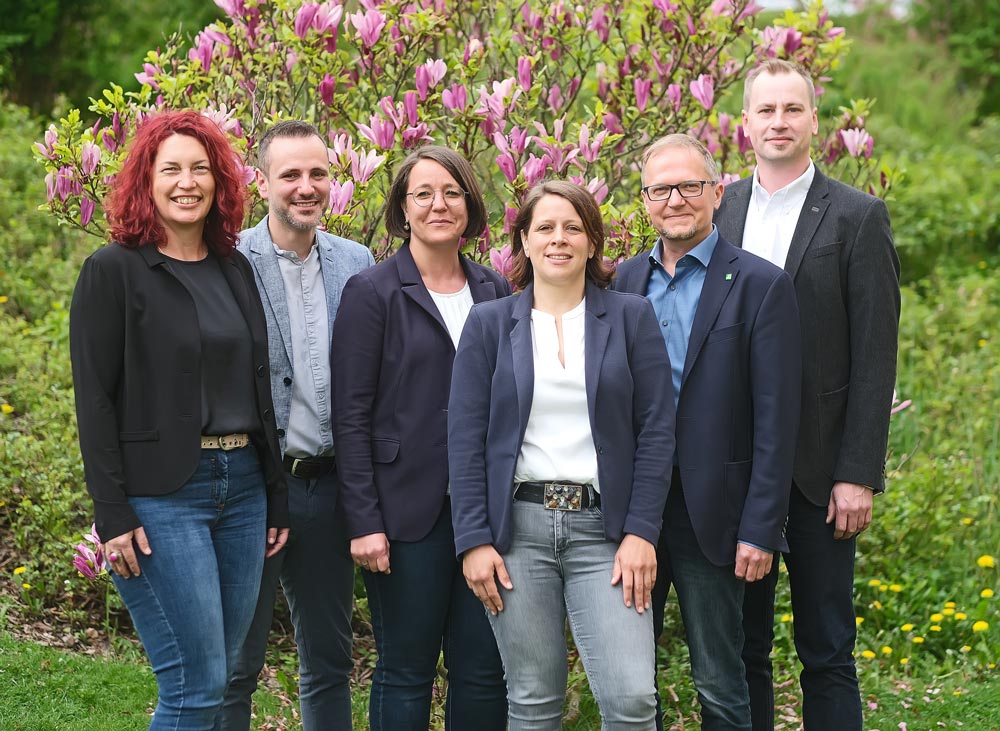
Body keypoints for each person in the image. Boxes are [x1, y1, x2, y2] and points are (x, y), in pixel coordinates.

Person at [69, 109, 289, 731]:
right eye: (171, 169)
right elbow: (94, 400)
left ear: (220, 182)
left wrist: (275, 494)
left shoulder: (233, 268)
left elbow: (258, 388)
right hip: (162, 498)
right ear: (147, 179)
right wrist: (111, 512)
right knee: (195, 686)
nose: (187, 182)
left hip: (243, 491)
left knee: (225, 678)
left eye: (201, 169)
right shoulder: (113, 271)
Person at [714, 59, 901, 731]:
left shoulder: (858, 216)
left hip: (822, 476)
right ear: (745, 123)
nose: (779, 122)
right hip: (737, 470)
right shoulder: (719, 208)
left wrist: (858, 473)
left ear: (814, 121)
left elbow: (876, 355)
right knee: (744, 651)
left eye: (792, 109)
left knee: (827, 650)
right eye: (766, 110)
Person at [449, 180, 675, 730]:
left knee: (632, 699)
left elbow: (657, 431)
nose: (559, 239)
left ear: (593, 242)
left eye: (573, 227)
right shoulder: (489, 324)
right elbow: (465, 438)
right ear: (524, 241)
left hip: (607, 533)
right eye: (545, 227)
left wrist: (642, 532)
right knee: (532, 701)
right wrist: (474, 540)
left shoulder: (631, 317)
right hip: (517, 533)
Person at [611, 134, 802, 731]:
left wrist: (761, 528)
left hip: (715, 516)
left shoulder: (761, 285)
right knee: (630, 680)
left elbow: (777, 421)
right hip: (632, 511)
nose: (675, 200)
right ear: (645, 200)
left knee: (720, 682)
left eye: (689, 186)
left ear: (717, 193)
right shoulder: (621, 282)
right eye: (660, 189)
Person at [330, 145, 508, 731]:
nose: (439, 205)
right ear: (403, 209)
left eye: (452, 192)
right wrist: (363, 521)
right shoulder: (373, 291)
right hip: (405, 514)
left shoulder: (494, 289)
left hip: (485, 513)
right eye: (423, 194)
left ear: (469, 204)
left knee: (483, 670)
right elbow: (350, 416)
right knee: (407, 669)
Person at [219, 121, 374, 730]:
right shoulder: (229, 260)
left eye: (318, 173)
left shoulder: (356, 262)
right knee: (237, 664)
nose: (306, 187)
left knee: (329, 662)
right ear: (261, 183)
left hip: (330, 489)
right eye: (290, 175)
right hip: (254, 489)